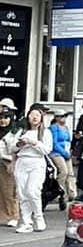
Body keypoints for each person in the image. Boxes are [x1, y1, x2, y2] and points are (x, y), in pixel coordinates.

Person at [9, 105, 51, 234]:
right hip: (22, 162)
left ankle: (39, 218)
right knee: (22, 193)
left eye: (37, 115)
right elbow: (12, 148)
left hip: (36, 163)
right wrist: (19, 144)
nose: (34, 117)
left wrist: (33, 142)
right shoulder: (21, 131)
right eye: (32, 115)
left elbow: (47, 150)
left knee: (32, 191)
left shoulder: (45, 132)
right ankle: (26, 222)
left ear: (41, 118)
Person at [46, 111, 75, 209]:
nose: (64, 118)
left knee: (70, 174)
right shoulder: (54, 127)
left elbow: (68, 141)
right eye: (62, 116)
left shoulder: (66, 128)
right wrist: (64, 153)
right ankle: (57, 191)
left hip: (66, 152)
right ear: (57, 117)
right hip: (56, 152)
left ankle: (68, 195)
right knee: (63, 172)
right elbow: (54, 143)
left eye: (65, 116)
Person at [0, 99, 18, 228]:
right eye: (1, 118)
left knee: (9, 191)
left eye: (6, 118)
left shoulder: (14, 132)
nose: (3, 120)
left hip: (9, 163)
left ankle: (13, 215)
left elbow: (15, 150)